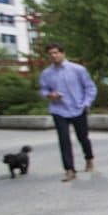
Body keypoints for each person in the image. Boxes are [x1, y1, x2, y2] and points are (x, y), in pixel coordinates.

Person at [39, 43, 97, 182]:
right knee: (63, 140)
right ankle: (69, 170)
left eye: (56, 52)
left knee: (83, 137)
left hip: (78, 108)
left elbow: (90, 88)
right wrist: (50, 95)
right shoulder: (47, 73)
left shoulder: (78, 69)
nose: (54, 56)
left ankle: (89, 158)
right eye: (51, 54)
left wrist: (86, 103)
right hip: (59, 110)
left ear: (63, 53)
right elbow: (43, 90)